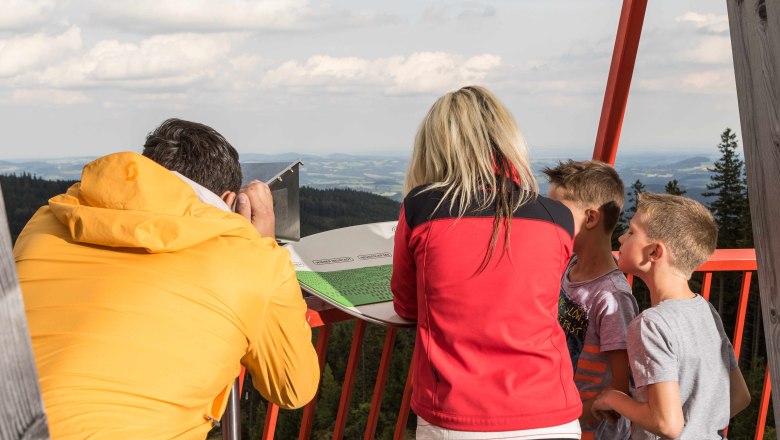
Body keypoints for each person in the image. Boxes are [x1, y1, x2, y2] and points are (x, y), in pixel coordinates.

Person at [14, 118, 319, 439]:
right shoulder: (255, 259)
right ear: (230, 201)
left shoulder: (47, 221)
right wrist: (262, 244)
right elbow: (293, 388)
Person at [391, 86, 582, 439]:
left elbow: (406, 305)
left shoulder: (421, 208)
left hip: (457, 413)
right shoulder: (557, 218)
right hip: (552, 413)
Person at [591, 192, 751, 439]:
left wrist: (612, 398)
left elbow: (666, 424)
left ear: (654, 252)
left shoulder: (650, 324)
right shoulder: (706, 311)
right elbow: (740, 396)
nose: (622, 237)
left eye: (632, 232)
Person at [544, 160, 638, 440]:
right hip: (559, 418)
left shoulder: (612, 297)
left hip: (589, 431)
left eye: (557, 212)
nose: (550, 219)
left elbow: (621, 388)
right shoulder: (567, 266)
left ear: (591, 218)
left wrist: (572, 417)